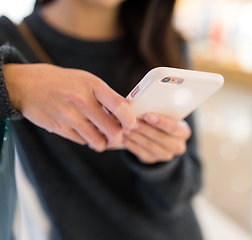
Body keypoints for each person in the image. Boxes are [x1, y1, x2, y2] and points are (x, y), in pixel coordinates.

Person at [0, 0, 203, 239]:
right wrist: (15, 82)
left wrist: (162, 163)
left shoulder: (164, 42)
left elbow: (183, 194)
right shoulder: (9, 41)